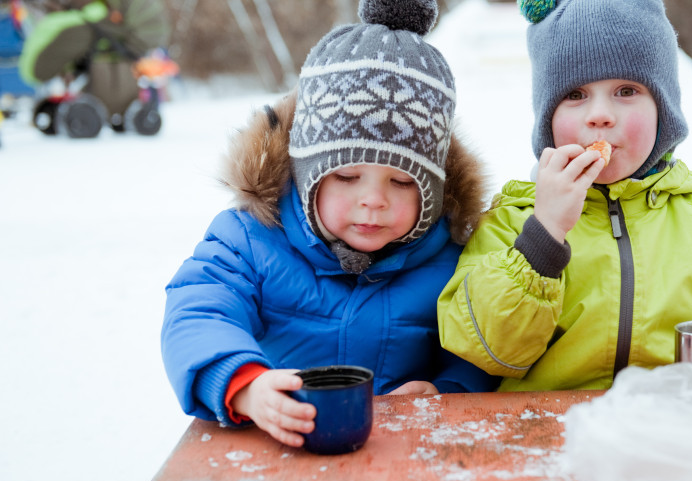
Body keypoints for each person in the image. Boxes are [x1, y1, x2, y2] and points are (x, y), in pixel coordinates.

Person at [437, 0, 692, 393]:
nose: (601, 115)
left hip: (669, 435)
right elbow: (482, 347)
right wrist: (544, 234)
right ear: (547, 120)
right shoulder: (512, 224)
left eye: (626, 91)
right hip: (548, 438)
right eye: (575, 95)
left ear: (664, 113)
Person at [162, 0, 496, 448]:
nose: (373, 201)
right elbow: (198, 310)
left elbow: (481, 347)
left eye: (401, 181)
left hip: (409, 452)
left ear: (433, 191)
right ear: (305, 174)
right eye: (346, 176)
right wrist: (245, 385)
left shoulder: (452, 257)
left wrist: (450, 389)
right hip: (278, 442)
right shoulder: (251, 238)